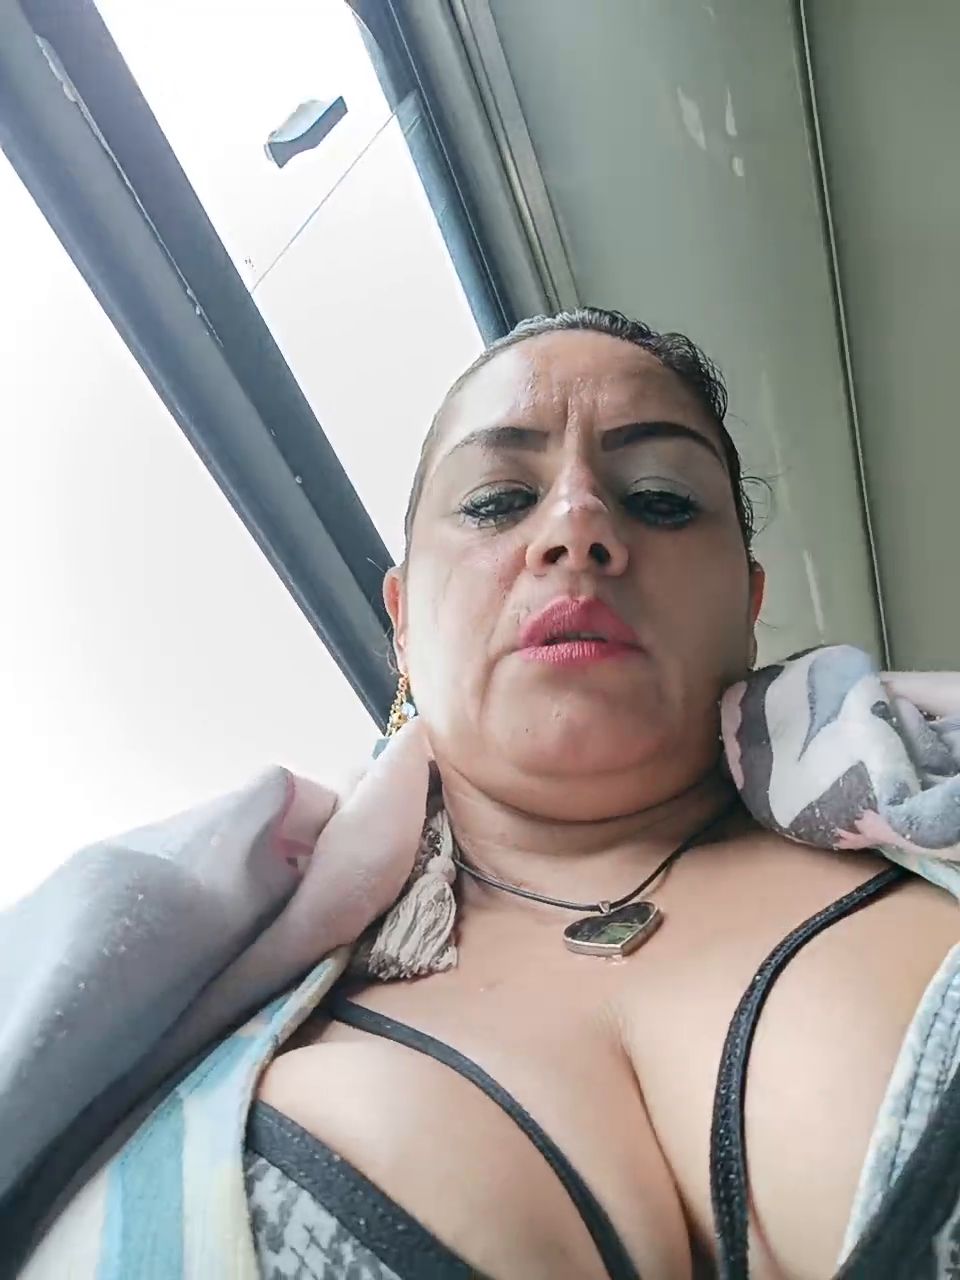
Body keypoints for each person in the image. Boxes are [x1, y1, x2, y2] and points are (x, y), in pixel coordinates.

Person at [247, 308, 958, 1279]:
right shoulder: (238, 976)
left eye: (661, 498)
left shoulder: (924, 811)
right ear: (402, 620)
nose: (579, 524)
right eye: (498, 500)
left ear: (748, 604)